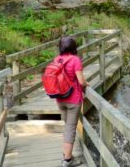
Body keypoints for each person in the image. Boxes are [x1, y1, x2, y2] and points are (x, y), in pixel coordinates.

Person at [55, 36, 88, 167]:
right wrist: (86, 85)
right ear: (74, 47)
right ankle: (67, 160)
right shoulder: (75, 60)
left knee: (67, 125)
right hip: (73, 100)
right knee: (70, 128)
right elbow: (81, 81)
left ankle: (66, 154)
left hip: (59, 99)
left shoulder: (57, 59)